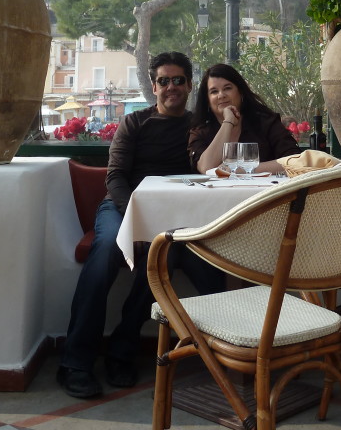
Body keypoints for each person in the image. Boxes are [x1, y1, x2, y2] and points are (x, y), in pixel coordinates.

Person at [57, 51, 224, 399]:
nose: (171, 87)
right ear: (154, 86)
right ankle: (75, 361)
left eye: (179, 80)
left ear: (190, 85)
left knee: (165, 254)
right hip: (122, 207)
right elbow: (115, 177)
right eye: (164, 81)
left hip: (175, 217)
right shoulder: (135, 124)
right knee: (103, 253)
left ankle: (122, 349)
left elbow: (212, 173)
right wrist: (138, 215)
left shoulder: (199, 128)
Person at [188, 64, 299, 175]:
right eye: (214, 91)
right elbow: (206, 168)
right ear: (207, 99)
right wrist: (228, 122)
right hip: (214, 192)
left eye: (227, 88)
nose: (221, 95)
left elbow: (295, 161)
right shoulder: (200, 130)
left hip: (265, 191)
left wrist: (244, 170)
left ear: (240, 92)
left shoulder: (266, 123)